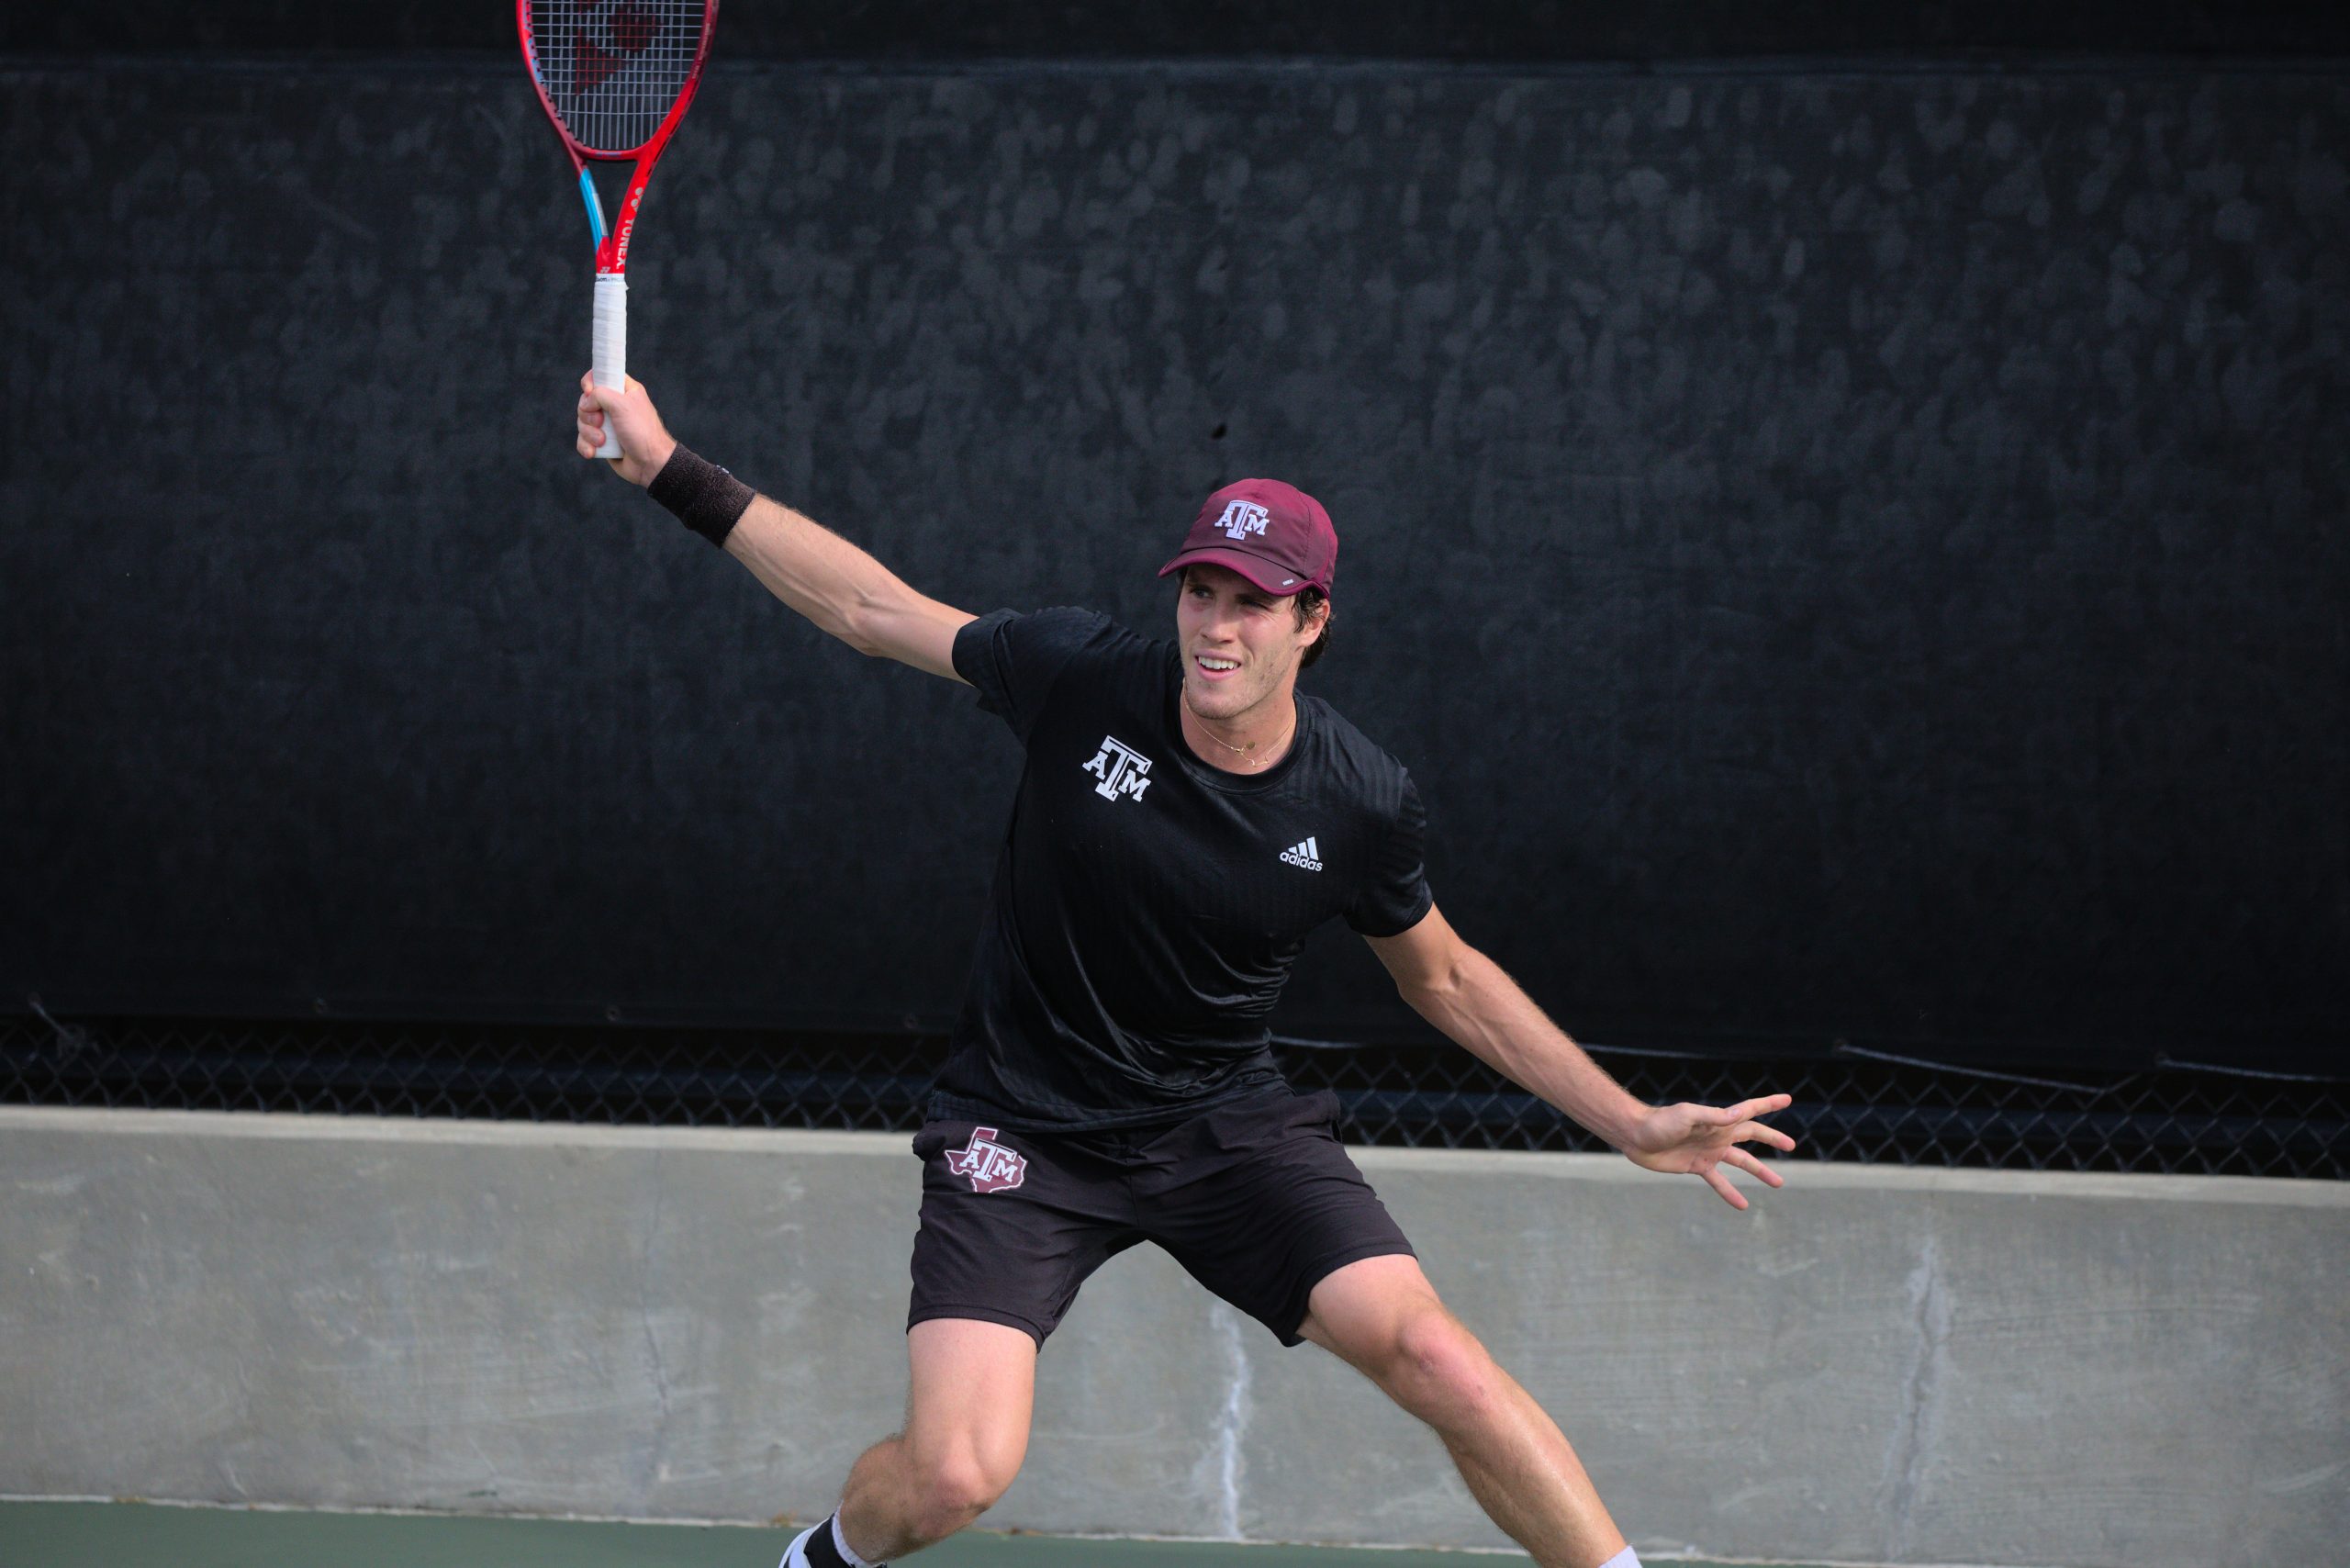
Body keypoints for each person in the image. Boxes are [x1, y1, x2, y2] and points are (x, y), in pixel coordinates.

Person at [572, 374, 1797, 1568]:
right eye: (1200, 593)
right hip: (1024, 1128)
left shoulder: (1360, 801)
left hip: (1225, 1128)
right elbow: (873, 610)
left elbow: (1450, 980)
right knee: (953, 1475)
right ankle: (824, 1559)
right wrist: (672, 469)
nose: (1216, 627)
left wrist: (1632, 1122)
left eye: (1252, 604)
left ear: (1312, 621)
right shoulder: (1079, 676)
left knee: (1443, 1362)